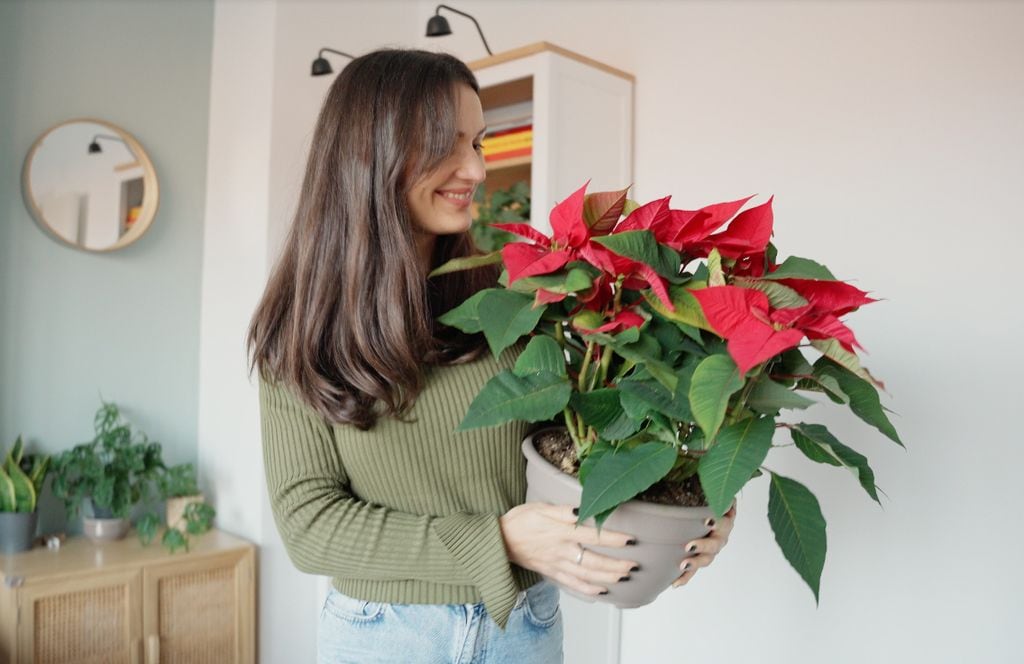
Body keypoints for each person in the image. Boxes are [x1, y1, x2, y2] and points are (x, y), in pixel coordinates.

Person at [247, 48, 735, 664]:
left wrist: (698, 498)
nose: (476, 170)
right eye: (447, 145)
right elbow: (310, 526)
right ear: (370, 155)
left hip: (523, 626)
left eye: (478, 143)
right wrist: (498, 540)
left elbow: (590, 440)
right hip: (383, 635)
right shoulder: (300, 329)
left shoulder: (513, 302)